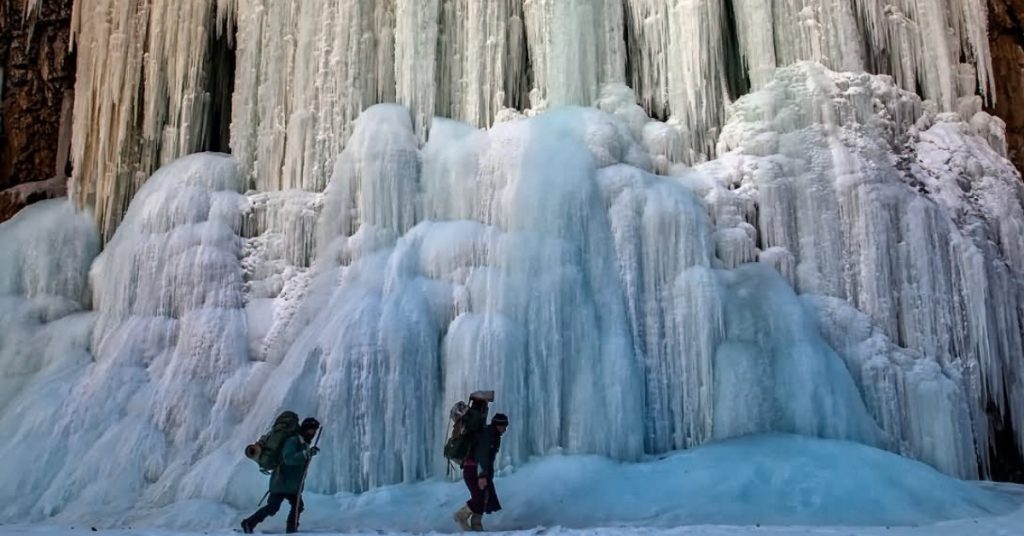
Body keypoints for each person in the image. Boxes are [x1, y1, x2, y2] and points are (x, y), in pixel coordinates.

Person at [241, 417, 321, 534]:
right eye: (311, 430)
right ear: (304, 429)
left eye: (314, 431)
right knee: (273, 507)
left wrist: (307, 453)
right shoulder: (293, 441)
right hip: (281, 482)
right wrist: (306, 454)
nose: (313, 433)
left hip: (291, 486)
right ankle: (248, 523)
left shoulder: (303, 443)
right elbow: (288, 459)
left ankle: (291, 529)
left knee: (297, 506)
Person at [453, 413, 508, 532]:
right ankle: (461, 516)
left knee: (484, 497)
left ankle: (476, 526)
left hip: (477, 470)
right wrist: (482, 476)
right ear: (498, 425)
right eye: (504, 426)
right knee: (479, 498)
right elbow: (482, 455)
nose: (505, 429)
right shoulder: (488, 435)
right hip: (473, 470)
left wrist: (486, 475)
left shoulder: (493, 435)